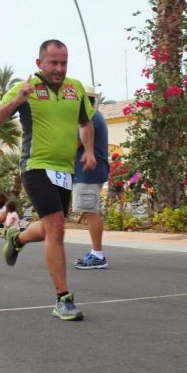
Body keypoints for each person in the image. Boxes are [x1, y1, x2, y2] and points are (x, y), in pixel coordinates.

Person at [0, 39, 96, 321]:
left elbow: (86, 122)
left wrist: (90, 151)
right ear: (39, 63)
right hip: (35, 166)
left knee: (50, 229)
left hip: (64, 170)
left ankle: (17, 237)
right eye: (53, 63)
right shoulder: (26, 88)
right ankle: (63, 299)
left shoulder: (76, 88)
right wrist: (18, 99)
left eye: (63, 63)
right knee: (57, 228)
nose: (59, 69)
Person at [73, 86, 110, 270]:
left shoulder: (87, 118)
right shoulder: (95, 116)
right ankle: (96, 253)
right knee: (90, 211)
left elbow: (74, 144)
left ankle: (98, 254)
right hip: (91, 171)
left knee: (91, 211)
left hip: (88, 171)